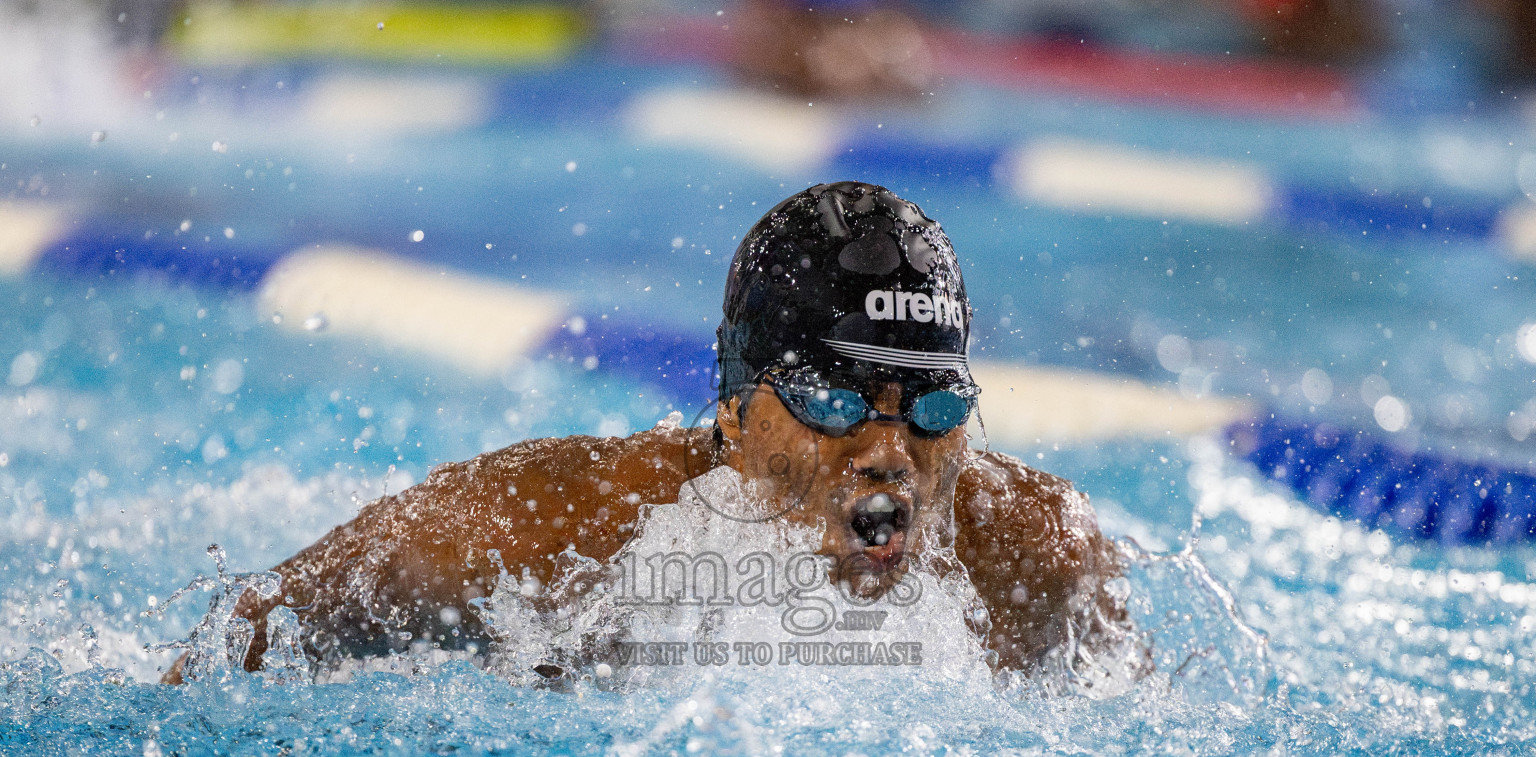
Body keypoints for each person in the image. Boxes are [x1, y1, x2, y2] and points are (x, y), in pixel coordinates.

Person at [164, 181, 1131, 684]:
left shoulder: (1037, 556)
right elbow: (247, 637)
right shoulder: (545, 530)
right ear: (735, 410)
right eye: (834, 404)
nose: (888, 456)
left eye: (931, 408)